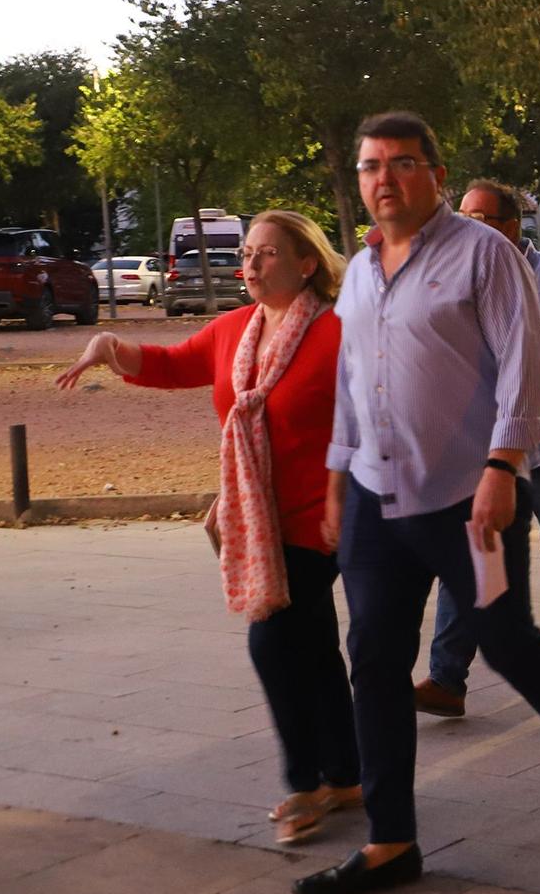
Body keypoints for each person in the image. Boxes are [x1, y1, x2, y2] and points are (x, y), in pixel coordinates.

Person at [299, 111, 540, 894]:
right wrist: (338, 476)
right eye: (371, 165)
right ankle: (390, 840)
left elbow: (527, 369)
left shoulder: (484, 254)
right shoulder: (363, 270)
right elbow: (353, 380)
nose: (382, 179)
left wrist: (504, 468)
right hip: (378, 497)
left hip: (466, 496)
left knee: (504, 641)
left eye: (401, 163)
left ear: (434, 174)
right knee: (373, 657)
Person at [56, 210, 359, 848]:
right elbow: (166, 364)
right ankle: (348, 773)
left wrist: (342, 495)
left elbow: (365, 423)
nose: (250, 265)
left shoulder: (337, 333)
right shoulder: (233, 331)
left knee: (271, 642)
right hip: (259, 517)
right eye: (247, 253)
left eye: (267, 254)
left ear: (306, 264)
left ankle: (305, 783)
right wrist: (105, 349)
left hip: (320, 516)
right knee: (312, 644)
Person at [416, 180, 540, 716]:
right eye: (464, 217)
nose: (469, 228)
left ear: (511, 226)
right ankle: (447, 678)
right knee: (471, 557)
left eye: (483, 218)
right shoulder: (458, 281)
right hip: (483, 449)